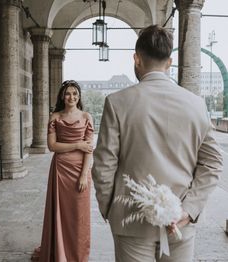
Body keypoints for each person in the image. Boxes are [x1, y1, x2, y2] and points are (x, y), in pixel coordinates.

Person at [92, 25, 223, 262]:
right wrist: (190, 209)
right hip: (180, 220)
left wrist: (109, 208)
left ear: (136, 58)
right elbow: (213, 163)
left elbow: (103, 165)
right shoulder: (196, 104)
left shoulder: (117, 102)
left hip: (129, 218)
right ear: (170, 62)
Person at [32, 80, 94, 262]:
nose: (71, 97)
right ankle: (59, 252)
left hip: (81, 171)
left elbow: (89, 150)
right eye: (68, 93)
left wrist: (84, 175)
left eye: (75, 93)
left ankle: (77, 254)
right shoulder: (55, 117)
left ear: (79, 96)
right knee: (60, 213)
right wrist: (77, 144)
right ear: (61, 96)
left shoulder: (86, 117)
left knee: (79, 214)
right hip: (60, 170)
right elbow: (52, 146)